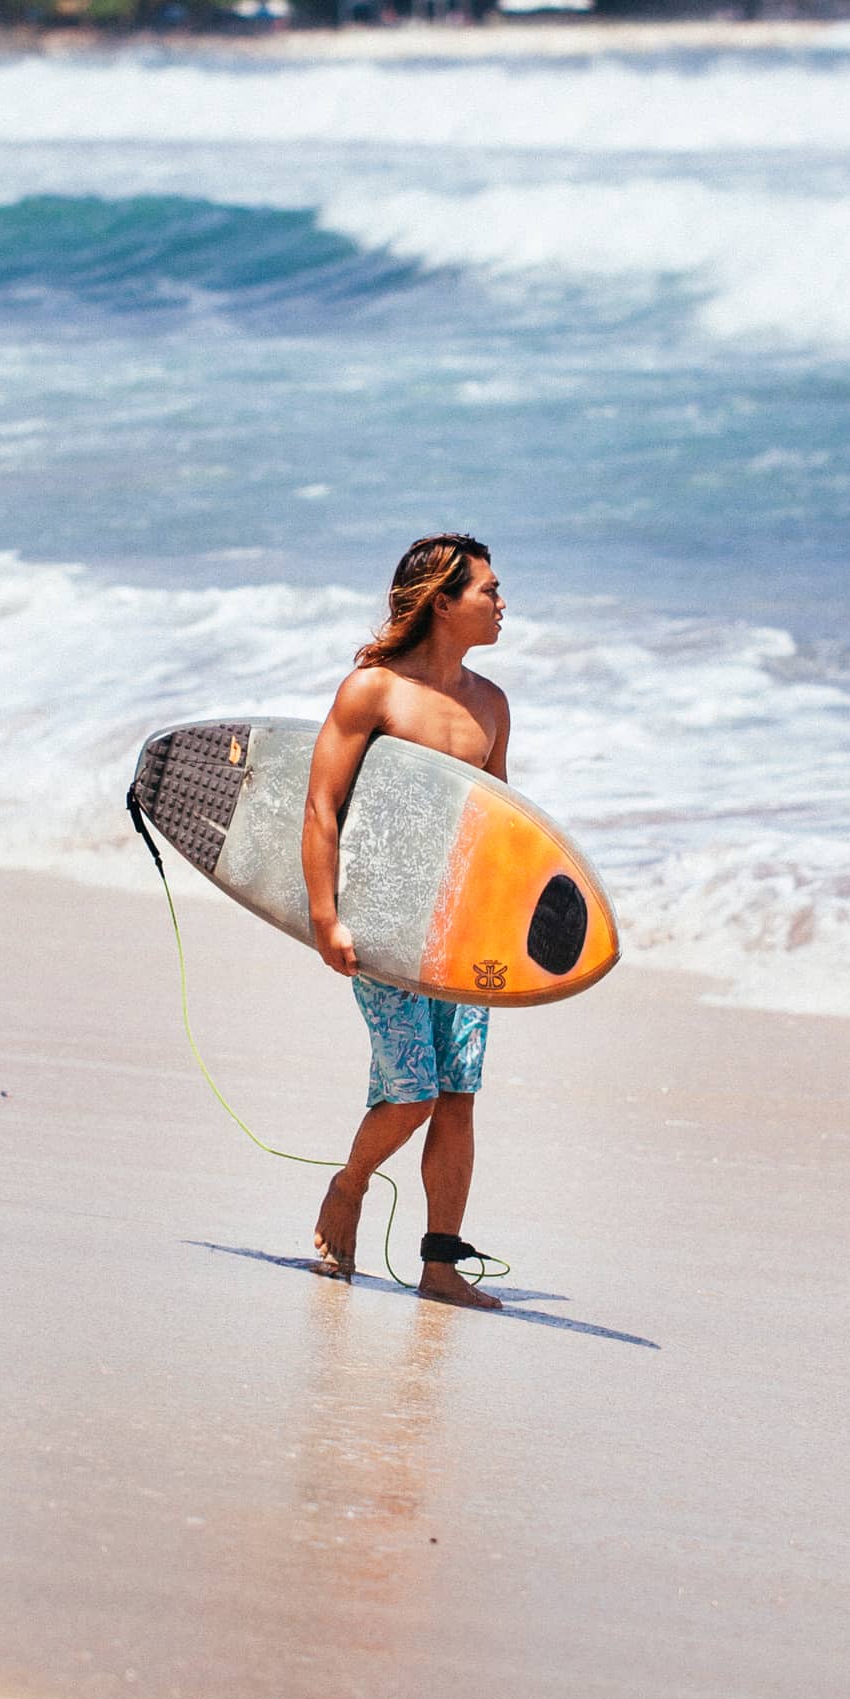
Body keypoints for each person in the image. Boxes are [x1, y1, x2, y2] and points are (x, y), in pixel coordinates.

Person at [303, 533, 511, 1309]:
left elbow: (500, 830)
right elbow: (321, 807)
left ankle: (440, 1265)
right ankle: (350, 1186)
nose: (502, 603)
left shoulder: (491, 705)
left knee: (457, 1095)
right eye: (488, 590)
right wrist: (325, 917)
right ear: (443, 602)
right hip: (384, 924)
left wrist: (504, 933)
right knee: (413, 1092)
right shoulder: (373, 691)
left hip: (461, 931)